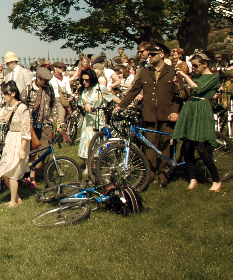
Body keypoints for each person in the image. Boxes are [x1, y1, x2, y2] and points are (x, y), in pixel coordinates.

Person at [116, 42, 180, 187]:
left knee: (166, 144)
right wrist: (121, 105)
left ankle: (164, 174)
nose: (149, 56)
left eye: (152, 54)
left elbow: (178, 95)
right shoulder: (145, 71)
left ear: (162, 55)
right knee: (150, 145)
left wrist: (175, 111)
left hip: (167, 114)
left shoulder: (172, 71)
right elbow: (134, 89)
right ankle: (149, 174)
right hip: (150, 114)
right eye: (148, 54)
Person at [174, 51, 222, 191]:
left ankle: (216, 180)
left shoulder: (213, 77)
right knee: (188, 147)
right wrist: (180, 82)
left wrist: (185, 76)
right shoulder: (195, 77)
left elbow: (198, 89)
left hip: (201, 110)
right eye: (193, 66)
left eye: (196, 66)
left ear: (205, 64)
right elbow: (184, 92)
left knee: (201, 148)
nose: (194, 68)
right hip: (191, 108)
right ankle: (193, 178)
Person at [76, 67, 119, 173]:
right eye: (83, 80)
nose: (85, 82)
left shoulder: (101, 89)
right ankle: (88, 166)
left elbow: (113, 98)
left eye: (87, 80)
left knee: (97, 142)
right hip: (88, 120)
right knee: (87, 141)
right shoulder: (83, 90)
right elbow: (80, 105)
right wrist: (85, 107)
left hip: (99, 119)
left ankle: (96, 164)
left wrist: (125, 104)